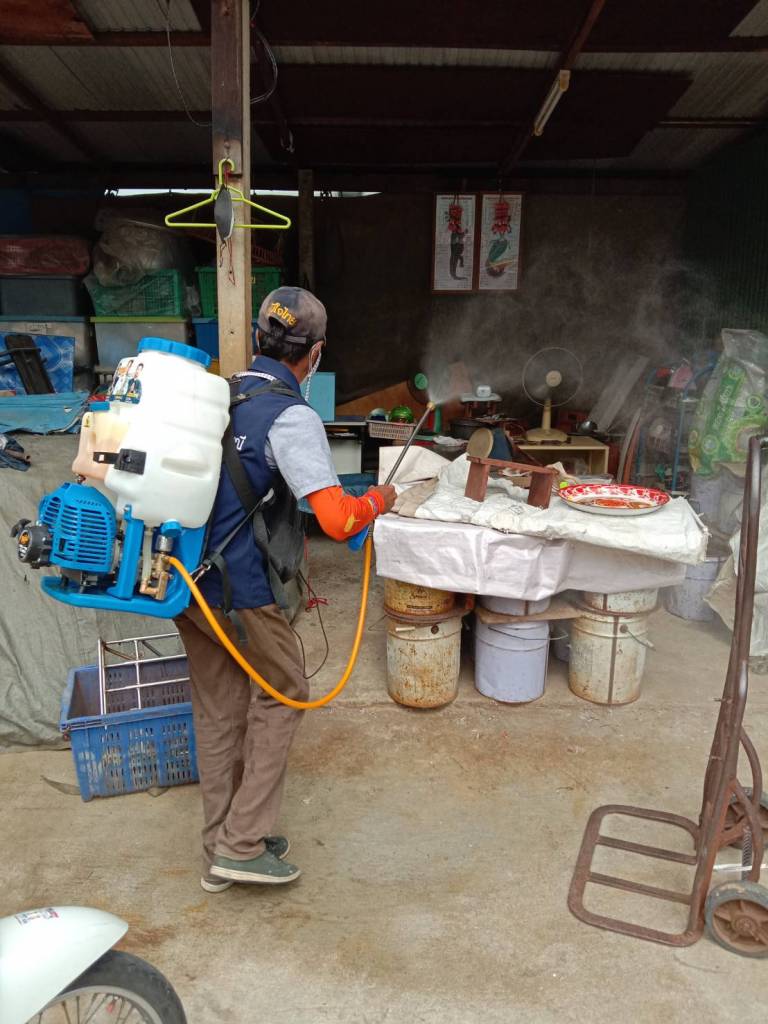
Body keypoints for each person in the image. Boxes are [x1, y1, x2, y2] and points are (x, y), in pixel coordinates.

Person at [176, 286, 396, 894]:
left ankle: (220, 846)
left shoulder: (220, 395)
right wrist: (379, 500)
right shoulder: (291, 416)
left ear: (257, 338)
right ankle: (242, 845)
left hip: (186, 581)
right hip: (243, 589)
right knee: (286, 691)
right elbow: (337, 520)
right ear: (315, 353)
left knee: (219, 709)